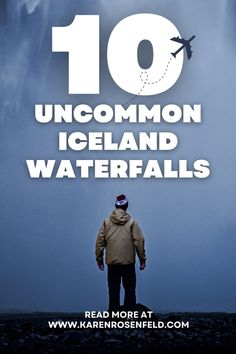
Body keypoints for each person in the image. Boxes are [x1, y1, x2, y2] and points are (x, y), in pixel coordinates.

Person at [95, 194, 146, 311]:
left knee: (113, 289)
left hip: (112, 263)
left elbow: (99, 242)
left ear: (115, 205)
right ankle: (129, 316)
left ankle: (113, 317)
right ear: (126, 206)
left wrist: (99, 259)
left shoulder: (106, 222)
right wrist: (142, 259)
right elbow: (139, 241)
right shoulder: (132, 222)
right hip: (128, 262)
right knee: (129, 288)